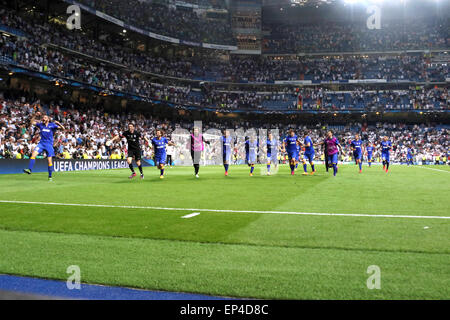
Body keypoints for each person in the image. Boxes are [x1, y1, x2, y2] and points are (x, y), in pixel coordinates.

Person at [23, 112, 65, 181]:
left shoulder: (52, 125)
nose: (43, 118)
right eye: (43, 117)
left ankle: (50, 176)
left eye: (45, 117)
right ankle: (29, 169)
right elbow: (31, 122)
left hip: (49, 145)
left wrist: (58, 123)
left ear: (48, 119)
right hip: (41, 144)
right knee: (33, 154)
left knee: (49, 161)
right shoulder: (40, 125)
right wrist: (35, 115)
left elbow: (63, 129)